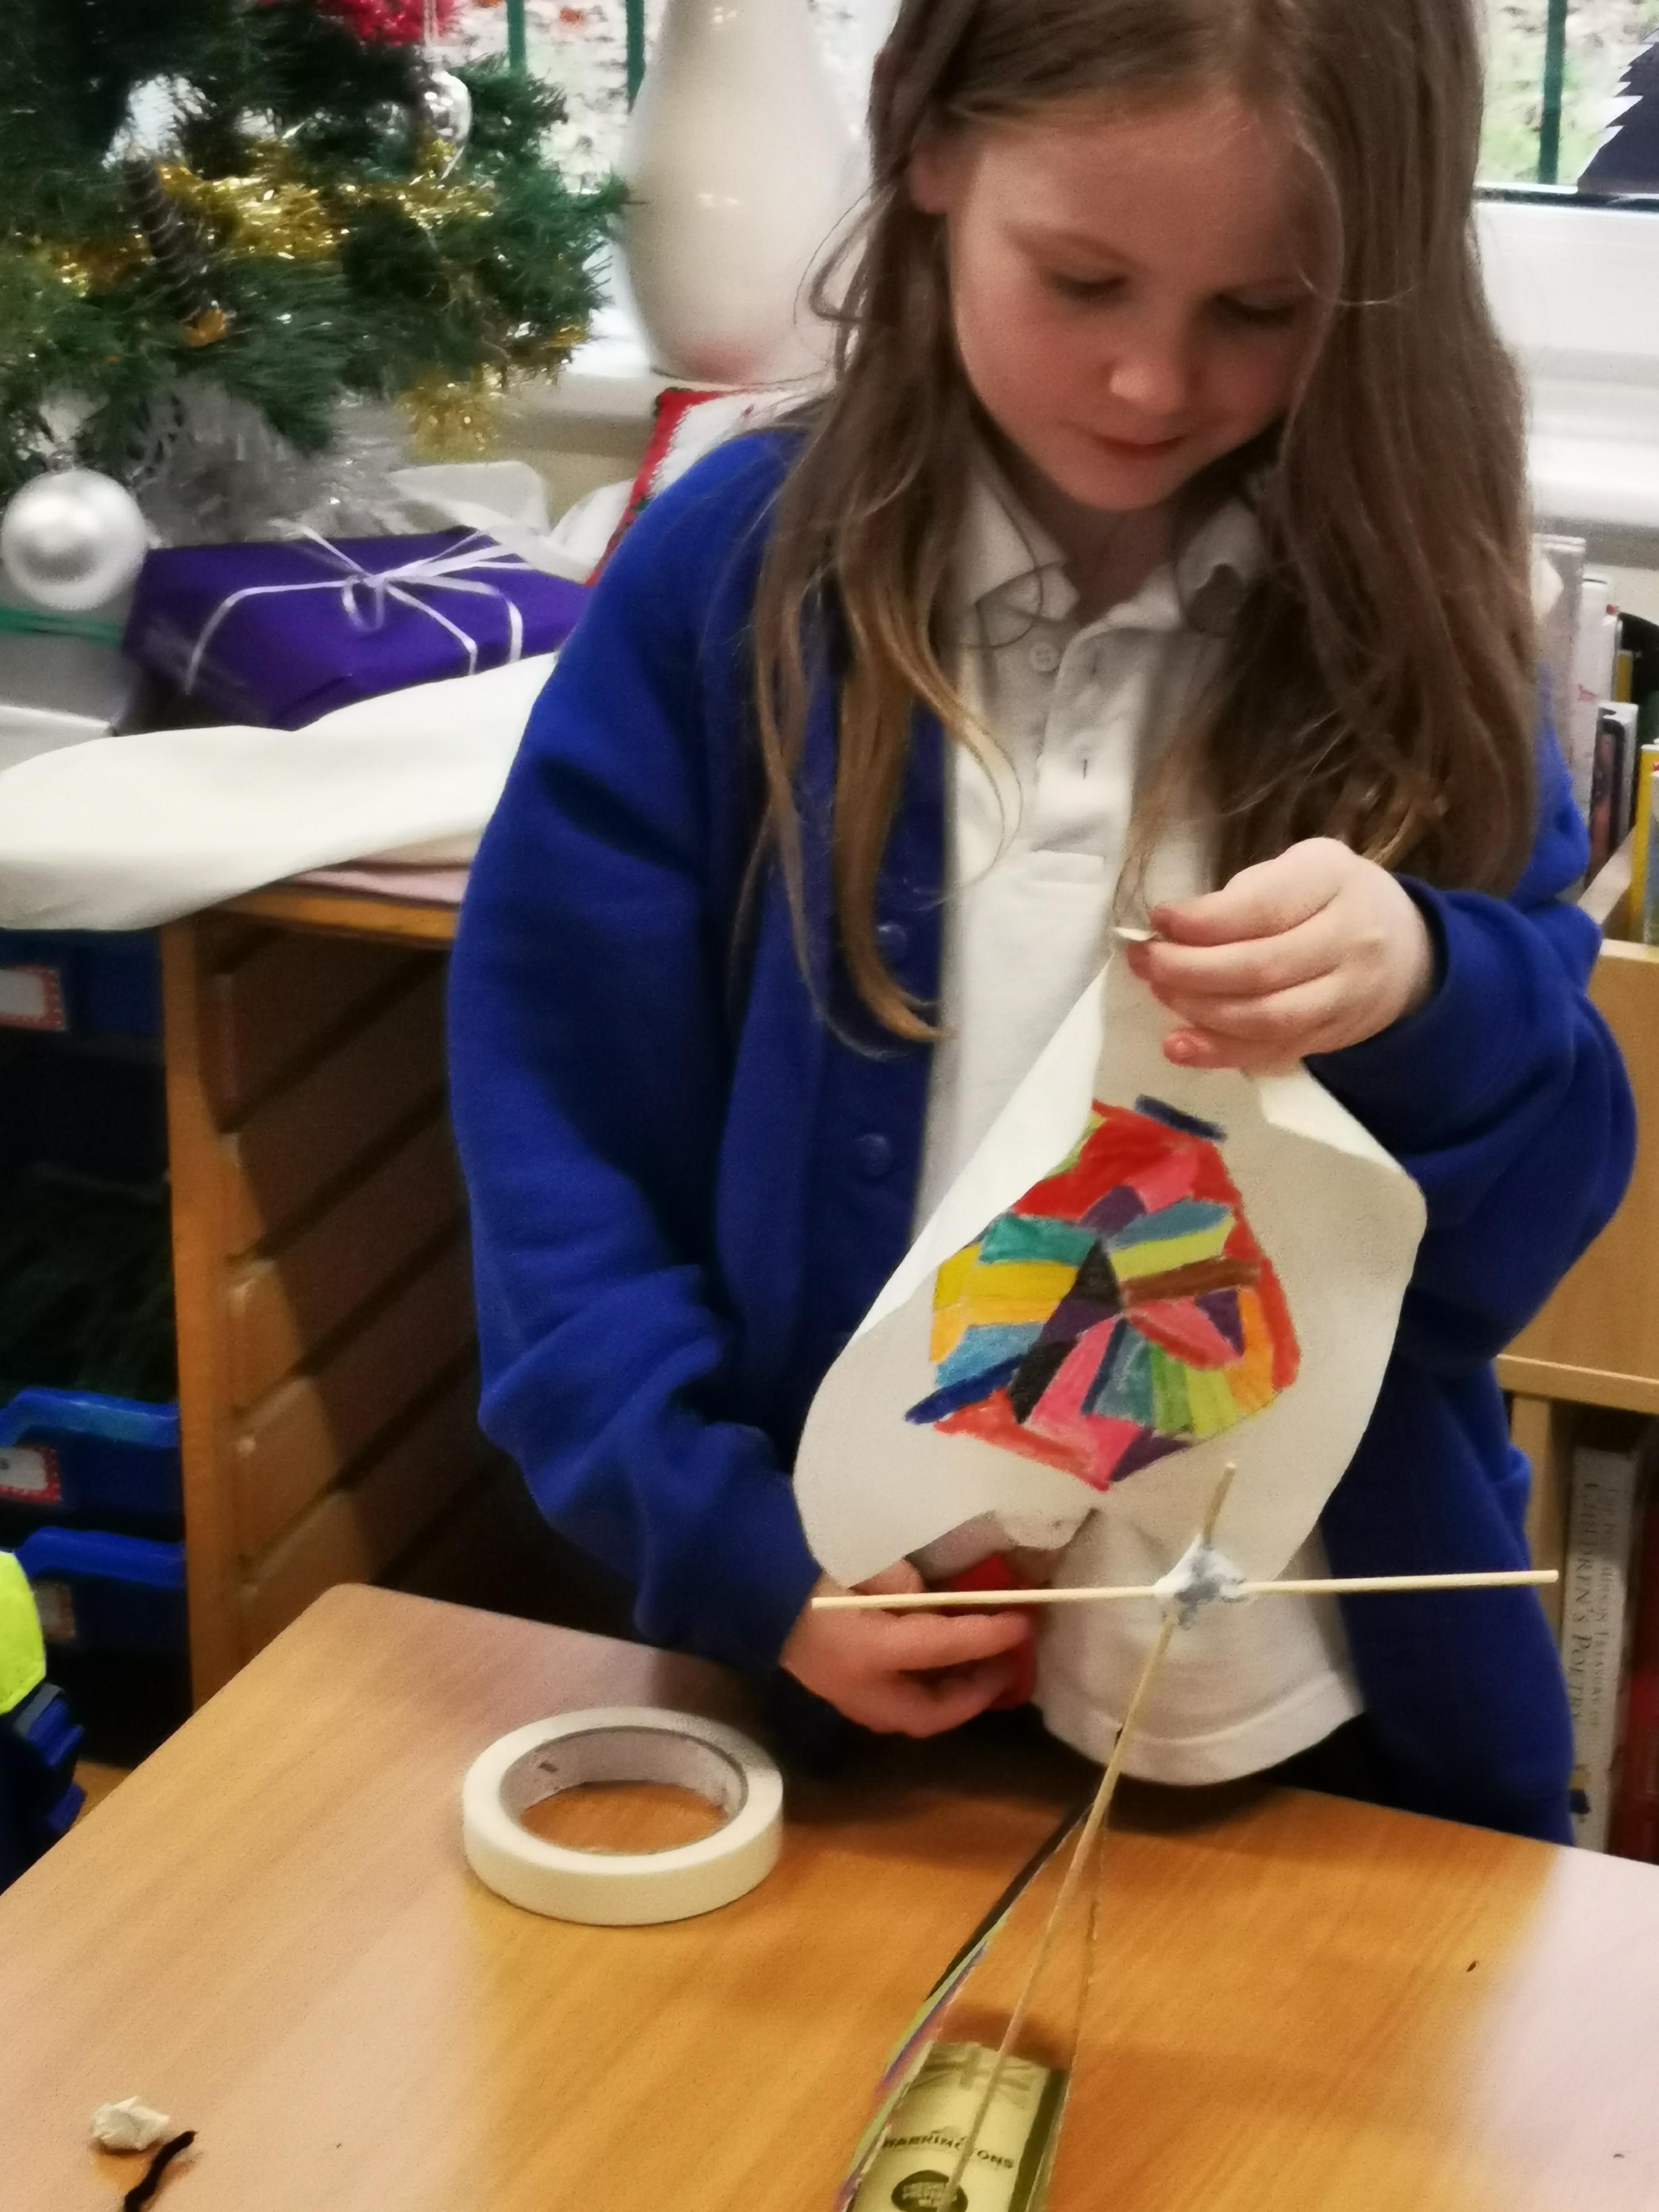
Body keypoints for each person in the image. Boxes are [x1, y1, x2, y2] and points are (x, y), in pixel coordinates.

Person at [447, 0, 1635, 1844]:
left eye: (1260, 311)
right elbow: (560, 1136)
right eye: (1082, 282)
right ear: (931, 148)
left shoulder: (1413, 622)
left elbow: (1526, 1216)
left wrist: (1426, 987)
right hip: (843, 1665)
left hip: (1297, 1703)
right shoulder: (738, 581)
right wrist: (725, 1536)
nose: (1152, 384)